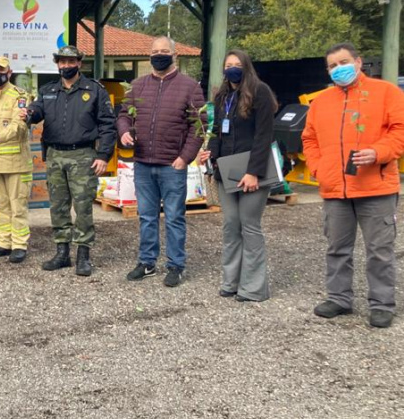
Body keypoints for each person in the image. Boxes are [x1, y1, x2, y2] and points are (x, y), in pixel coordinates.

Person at [302, 42, 404, 329]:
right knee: (337, 248)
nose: (338, 69)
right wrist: (319, 168)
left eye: (343, 62)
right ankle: (339, 297)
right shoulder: (321, 102)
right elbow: (309, 139)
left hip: (376, 187)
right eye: (332, 65)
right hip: (335, 188)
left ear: (359, 62)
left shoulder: (386, 93)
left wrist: (379, 152)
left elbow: (400, 129)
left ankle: (382, 303)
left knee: (380, 249)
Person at [116, 36, 205, 287]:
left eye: (165, 51)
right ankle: (147, 262)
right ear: (149, 55)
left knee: (175, 217)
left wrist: (184, 158)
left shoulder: (189, 87)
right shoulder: (138, 86)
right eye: (155, 51)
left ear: (174, 55)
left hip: (171, 165)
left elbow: (198, 126)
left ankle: (176, 265)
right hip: (143, 162)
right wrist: (124, 131)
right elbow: (123, 115)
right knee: (146, 216)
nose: (159, 55)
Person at [25, 46, 116, 277]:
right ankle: (62, 253)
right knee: (58, 206)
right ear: (57, 64)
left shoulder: (94, 90)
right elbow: (36, 111)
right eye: (61, 62)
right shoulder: (48, 90)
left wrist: (104, 155)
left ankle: (83, 256)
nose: (66, 66)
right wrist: (29, 114)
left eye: (70, 61)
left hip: (83, 156)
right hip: (55, 155)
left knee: (83, 207)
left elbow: (107, 124)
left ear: (79, 63)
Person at [198, 50, 277, 302]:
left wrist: (253, 172)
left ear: (246, 67)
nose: (232, 68)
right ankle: (231, 281)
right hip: (227, 169)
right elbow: (219, 131)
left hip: (253, 169)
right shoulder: (223, 96)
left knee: (249, 225)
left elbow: (264, 134)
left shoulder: (260, 91)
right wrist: (210, 154)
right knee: (231, 225)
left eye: (237, 64)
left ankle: (253, 287)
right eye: (228, 64)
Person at [0, 56, 33, 263]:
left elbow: (20, 126)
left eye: (0, 70)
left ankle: (19, 244)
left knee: (17, 204)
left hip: (16, 162)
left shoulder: (20, 96)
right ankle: (4, 242)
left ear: (9, 72)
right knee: (0, 204)